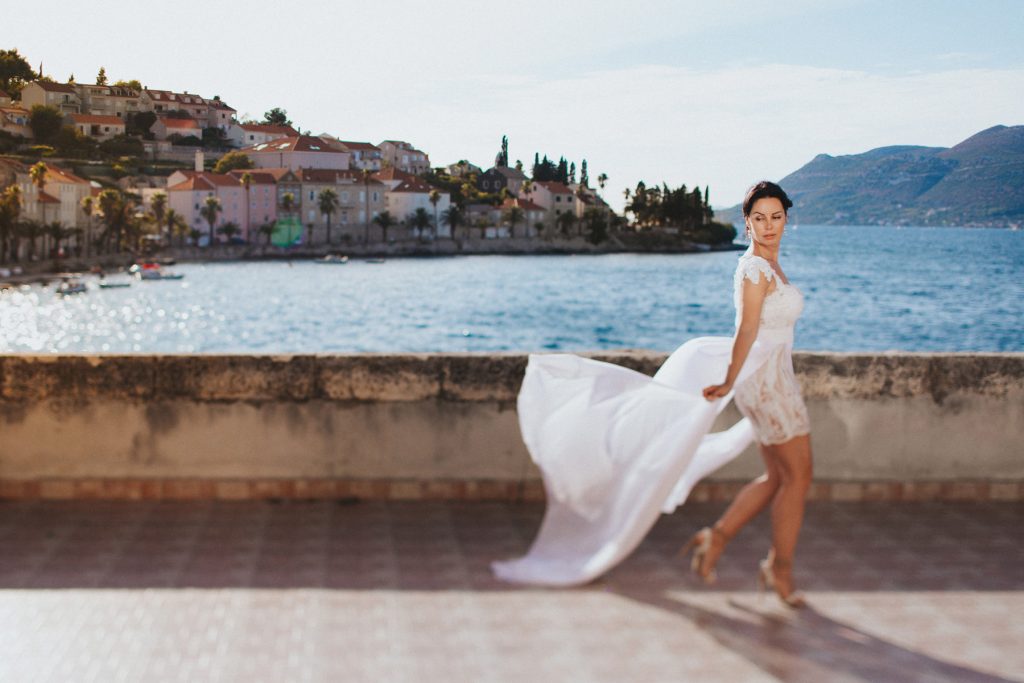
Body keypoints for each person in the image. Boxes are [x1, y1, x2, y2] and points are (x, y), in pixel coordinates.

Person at [492, 180, 812, 609]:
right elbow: (747, 330)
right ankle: (779, 569)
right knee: (797, 477)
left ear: (786, 219)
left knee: (779, 477)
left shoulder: (769, 266)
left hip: (772, 378)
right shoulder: (754, 269)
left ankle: (717, 539)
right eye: (759, 218)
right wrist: (730, 378)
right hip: (767, 386)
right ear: (747, 223)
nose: (768, 226)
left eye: (776, 217)